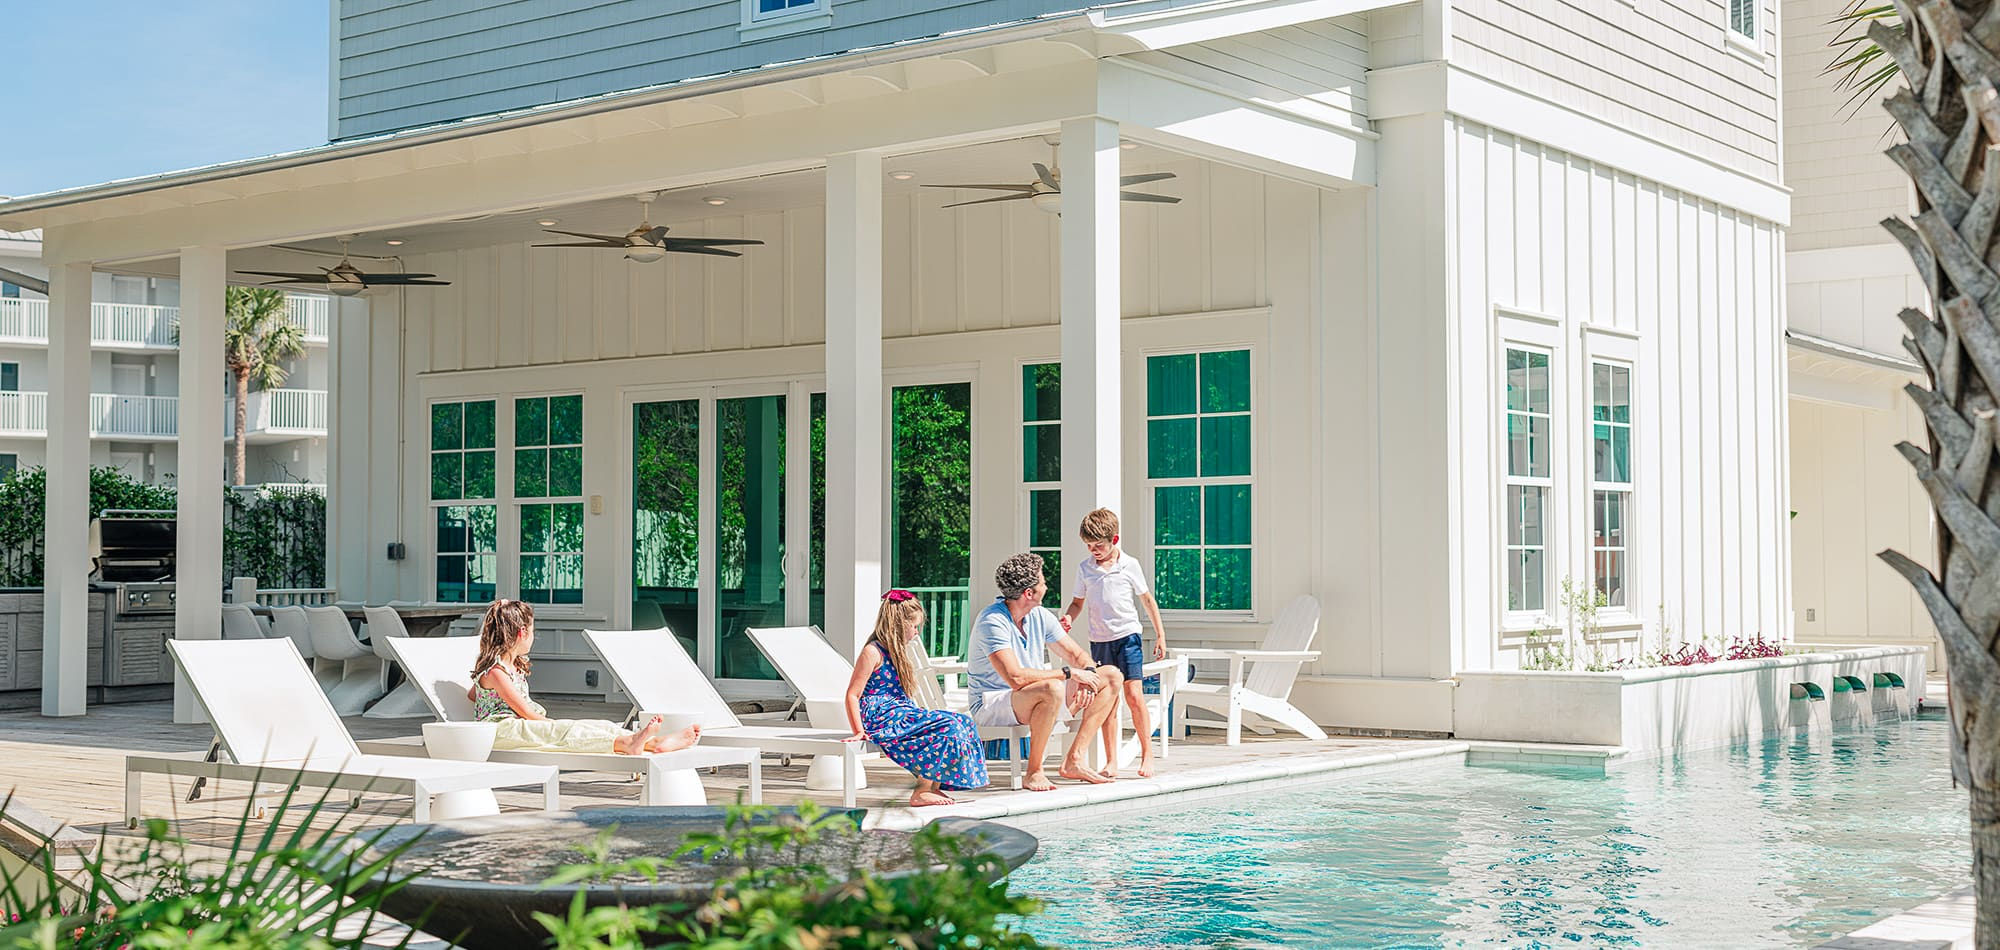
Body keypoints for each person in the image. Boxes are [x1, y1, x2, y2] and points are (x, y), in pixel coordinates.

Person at [965, 552, 1124, 791]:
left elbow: (1076, 655)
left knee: (1110, 676)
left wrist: (1088, 675)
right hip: (993, 702)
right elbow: (1016, 678)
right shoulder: (992, 621)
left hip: (1038, 698)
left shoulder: (1039, 615)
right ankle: (1034, 772)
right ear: (1029, 593)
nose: (1046, 585)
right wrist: (1069, 674)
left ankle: (1074, 760)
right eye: (1042, 582)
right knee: (1051, 688)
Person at [469, 599, 700, 755]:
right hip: (505, 731)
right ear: (522, 633)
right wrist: (554, 724)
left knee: (597, 724)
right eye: (532, 631)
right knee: (566, 731)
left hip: (520, 727)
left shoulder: (504, 671)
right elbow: (526, 713)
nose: (532, 636)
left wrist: (481, 692)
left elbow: (474, 694)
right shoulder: (498, 673)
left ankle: (653, 743)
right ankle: (627, 744)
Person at [841, 589, 990, 807]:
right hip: (882, 716)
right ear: (899, 625)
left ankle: (933, 788)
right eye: (914, 626)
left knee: (963, 722)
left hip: (900, 711)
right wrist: (859, 731)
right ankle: (921, 790)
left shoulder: (897, 651)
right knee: (947, 725)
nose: (917, 632)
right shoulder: (872, 652)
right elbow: (852, 694)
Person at [1060, 508, 1169, 778]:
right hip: (1100, 641)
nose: (1093, 550)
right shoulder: (1085, 568)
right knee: (1108, 702)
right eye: (1088, 545)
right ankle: (1111, 761)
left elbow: (1147, 600)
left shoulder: (1129, 565)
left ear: (1115, 540)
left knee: (1134, 695)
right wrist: (1068, 618)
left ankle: (1147, 755)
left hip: (1128, 637)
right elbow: (1077, 603)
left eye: (1098, 545)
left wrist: (1160, 634)